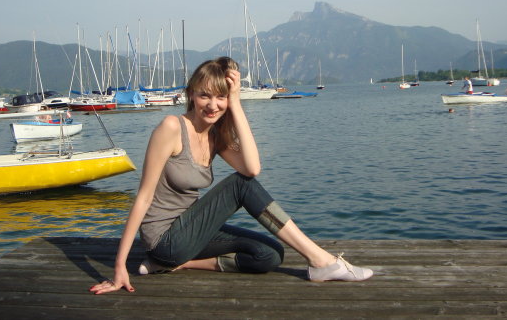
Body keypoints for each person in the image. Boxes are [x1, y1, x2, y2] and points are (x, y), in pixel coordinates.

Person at [90, 57, 372, 295]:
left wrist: (236, 103)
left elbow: (252, 168)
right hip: (164, 239)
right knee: (239, 185)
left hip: (190, 233)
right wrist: (119, 267)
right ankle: (321, 261)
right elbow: (143, 197)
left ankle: (177, 264)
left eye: (221, 97)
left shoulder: (214, 136)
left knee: (269, 255)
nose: (213, 105)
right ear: (191, 95)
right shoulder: (172, 127)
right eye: (205, 95)